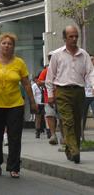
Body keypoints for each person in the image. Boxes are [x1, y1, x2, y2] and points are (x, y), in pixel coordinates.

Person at [0, 33, 37, 178]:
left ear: (13, 47)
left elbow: (26, 83)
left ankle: (14, 167)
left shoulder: (19, 62)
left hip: (15, 104)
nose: (7, 46)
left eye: (10, 44)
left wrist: (32, 101)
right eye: (4, 43)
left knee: (14, 137)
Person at [46, 25, 94, 164]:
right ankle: (75, 151)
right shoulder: (57, 55)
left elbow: (90, 72)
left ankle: (71, 148)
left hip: (79, 91)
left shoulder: (83, 54)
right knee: (67, 121)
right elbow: (50, 77)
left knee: (77, 122)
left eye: (76, 36)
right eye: (71, 36)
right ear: (64, 38)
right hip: (62, 91)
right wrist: (50, 94)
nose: (74, 39)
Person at [37, 53, 62, 145]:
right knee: (50, 116)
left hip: (62, 97)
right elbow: (39, 82)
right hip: (48, 98)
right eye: (51, 59)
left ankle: (64, 136)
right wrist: (47, 82)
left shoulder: (61, 70)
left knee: (62, 117)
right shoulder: (46, 71)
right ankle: (53, 135)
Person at [32, 74, 46, 138]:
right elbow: (33, 95)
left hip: (44, 103)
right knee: (38, 118)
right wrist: (35, 103)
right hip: (38, 103)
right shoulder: (34, 86)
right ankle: (37, 132)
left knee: (46, 117)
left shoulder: (43, 85)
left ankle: (48, 132)